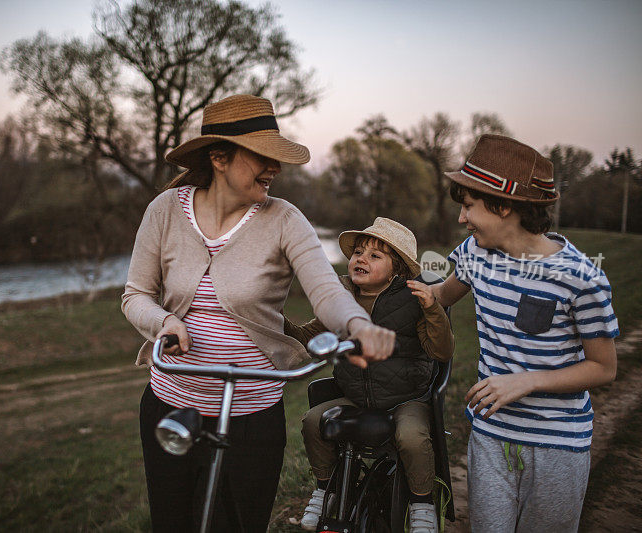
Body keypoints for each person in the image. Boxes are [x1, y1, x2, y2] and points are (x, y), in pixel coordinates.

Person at [121, 94, 396, 533]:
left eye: (277, 157)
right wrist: (164, 322)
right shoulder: (165, 211)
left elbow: (326, 290)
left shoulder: (285, 220)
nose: (275, 168)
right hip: (172, 406)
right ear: (219, 157)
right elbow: (135, 296)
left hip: (253, 414)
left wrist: (358, 324)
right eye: (263, 156)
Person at [409, 134, 618, 532]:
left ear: (504, 206)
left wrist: (527, 381)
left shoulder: (581, 277)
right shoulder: (474, 253)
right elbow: (440, 295)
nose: (461, 218)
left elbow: (603, 368)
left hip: (558, 446)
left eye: (469, 206)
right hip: (491, 433)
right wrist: (386, 293)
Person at [284, 217, 455, 532]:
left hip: (406, 397)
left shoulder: (414, 298)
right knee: (312, 421)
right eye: (358, 252)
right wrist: (276, 319)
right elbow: (310, 337)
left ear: (397, 269)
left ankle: (422, 503)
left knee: (412, 438)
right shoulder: (340, 295)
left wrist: (433, 308)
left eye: (374, 256)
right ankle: (326, 490)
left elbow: (441, 351)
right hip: (356, 394)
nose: (360, 259)